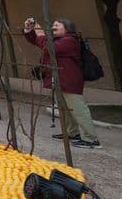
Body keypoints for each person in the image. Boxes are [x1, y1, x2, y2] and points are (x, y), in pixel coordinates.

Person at [23, 17, 100, 148]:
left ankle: (92, 139)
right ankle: (72, 133)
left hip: (69, 80)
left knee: (78, 109)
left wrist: (40, 31)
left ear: (67, 28)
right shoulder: (59, 40)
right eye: (53, 25)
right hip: (59, 79)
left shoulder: (70, 40)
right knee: (64, 109)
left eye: (57, 25)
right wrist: (29, 30)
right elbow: (37, 41)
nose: (53, 27)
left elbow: (48, 47)